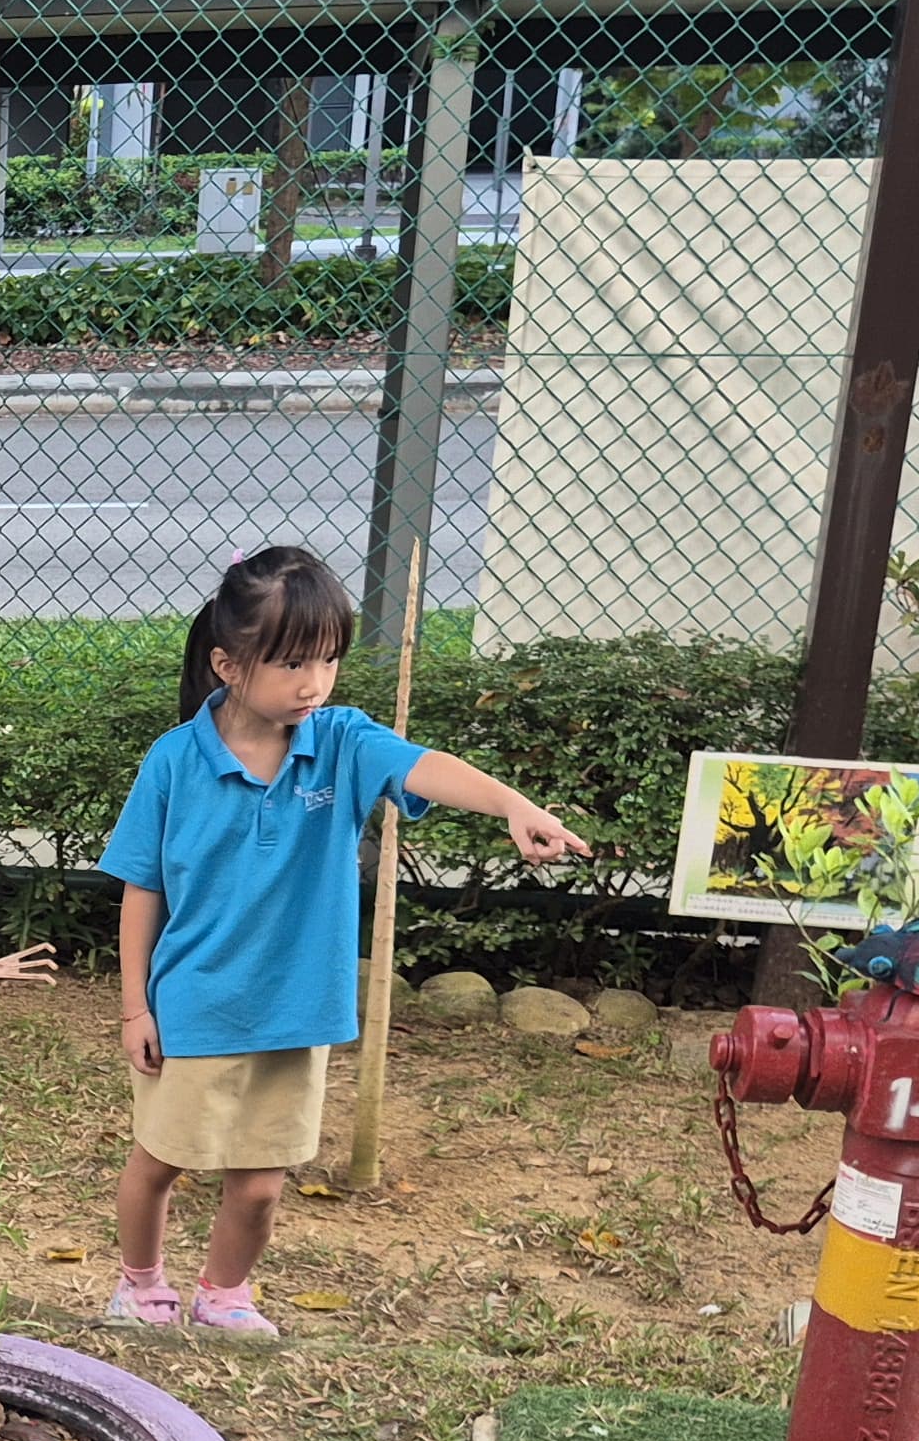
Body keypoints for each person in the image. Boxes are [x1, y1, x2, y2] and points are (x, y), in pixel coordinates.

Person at [104, 547, 589, 1333]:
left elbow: (424, 766)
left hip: (300, 1008)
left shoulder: (340, 741)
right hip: (195, 1002)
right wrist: (136, 1008)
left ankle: (224, 1295)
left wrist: (510, 805)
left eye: (328, 658)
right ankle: (138, 1286)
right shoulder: (173, 761)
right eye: (292, 662)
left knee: (260, 1185)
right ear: (228, 664)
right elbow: (141, 888)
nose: (314, 683)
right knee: (161, 1161)